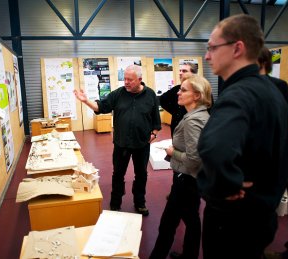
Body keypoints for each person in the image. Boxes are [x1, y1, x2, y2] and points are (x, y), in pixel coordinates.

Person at [197, 14, 288, 259]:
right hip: (261, 217)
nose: (207, 56)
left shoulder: (237, 95)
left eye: (212, 48)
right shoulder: (272, 90)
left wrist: (226, 183)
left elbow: (214, 147)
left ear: (237, 48)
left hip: (232, 223)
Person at [73, 64, 161, 216]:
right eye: (124, 79)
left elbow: (155, 119)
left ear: (140, 80)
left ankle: (140, 203)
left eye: (130, 80)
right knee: (118, 174)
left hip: (142, 144)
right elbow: (101, 107)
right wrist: (86, 101)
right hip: (122, 144)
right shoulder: (118, 94)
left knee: (141, 175)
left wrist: (153, 134)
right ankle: (115, 203)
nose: (126, 82)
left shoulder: (150, 95)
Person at [150, 74, 212, 259]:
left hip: (185, 179)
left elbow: (194, 158)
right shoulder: (200, 115)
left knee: (168, 223)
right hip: (192, 179)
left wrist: (172, 152)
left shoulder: (192, 121)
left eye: (183, 90)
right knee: (191, 219)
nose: (178, 92)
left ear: (197, 96)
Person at [159, 62, 198, 136]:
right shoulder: (176, 89)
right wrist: (175, 112)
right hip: (176, 131)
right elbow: (162, 99)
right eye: (180, 71)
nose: (180, 73)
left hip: (194, 131)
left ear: (193, 74)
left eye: (184, 71)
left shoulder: (200, 89)